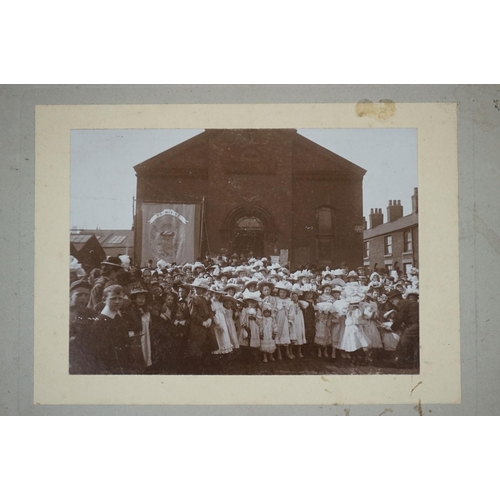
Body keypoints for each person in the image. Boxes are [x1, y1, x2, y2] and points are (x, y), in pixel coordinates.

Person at [90, 284, 141, 374]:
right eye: (113, 298)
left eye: (120, 298)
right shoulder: (100, 321)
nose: (117, 302)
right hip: (111, 368)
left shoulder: (118, 316)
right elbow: (99, 351)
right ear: (104, 300)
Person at [69, 279, 97, 374]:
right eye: (79, 295)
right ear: (70, 296)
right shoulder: (64, 315)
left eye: (86, 295)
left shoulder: (92, 314)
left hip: (89, 361)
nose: (83, 298)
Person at [388, 289, 420, 368]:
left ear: (396, 299)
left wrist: (392, 328)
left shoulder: (401, 303)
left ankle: (399, 361)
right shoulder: (407, 302)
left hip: (416, 324)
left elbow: (400, 319)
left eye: (392, 301)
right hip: (417, 323)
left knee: (403, 340)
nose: (392, 303)